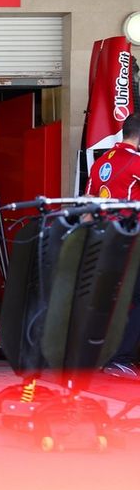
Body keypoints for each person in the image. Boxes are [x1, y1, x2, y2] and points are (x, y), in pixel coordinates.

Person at [85, 112, 140, 379]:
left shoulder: (99, 163)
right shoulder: (136, 162)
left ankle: (98, 355)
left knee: (110, 299)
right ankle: (120, 358)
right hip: (131, 241)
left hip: (103, 240)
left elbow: (87, 202)